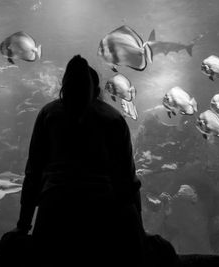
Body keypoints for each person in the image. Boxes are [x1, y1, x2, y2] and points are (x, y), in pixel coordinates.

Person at [7, 55, 146, 266]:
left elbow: (33, 173)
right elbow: (127, 179)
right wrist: (139, 231)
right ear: (97, 90)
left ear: (63, 88)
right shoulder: (113, 119)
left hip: (54, 212)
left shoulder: (49, 114)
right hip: (103, 215)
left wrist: (23, 225)